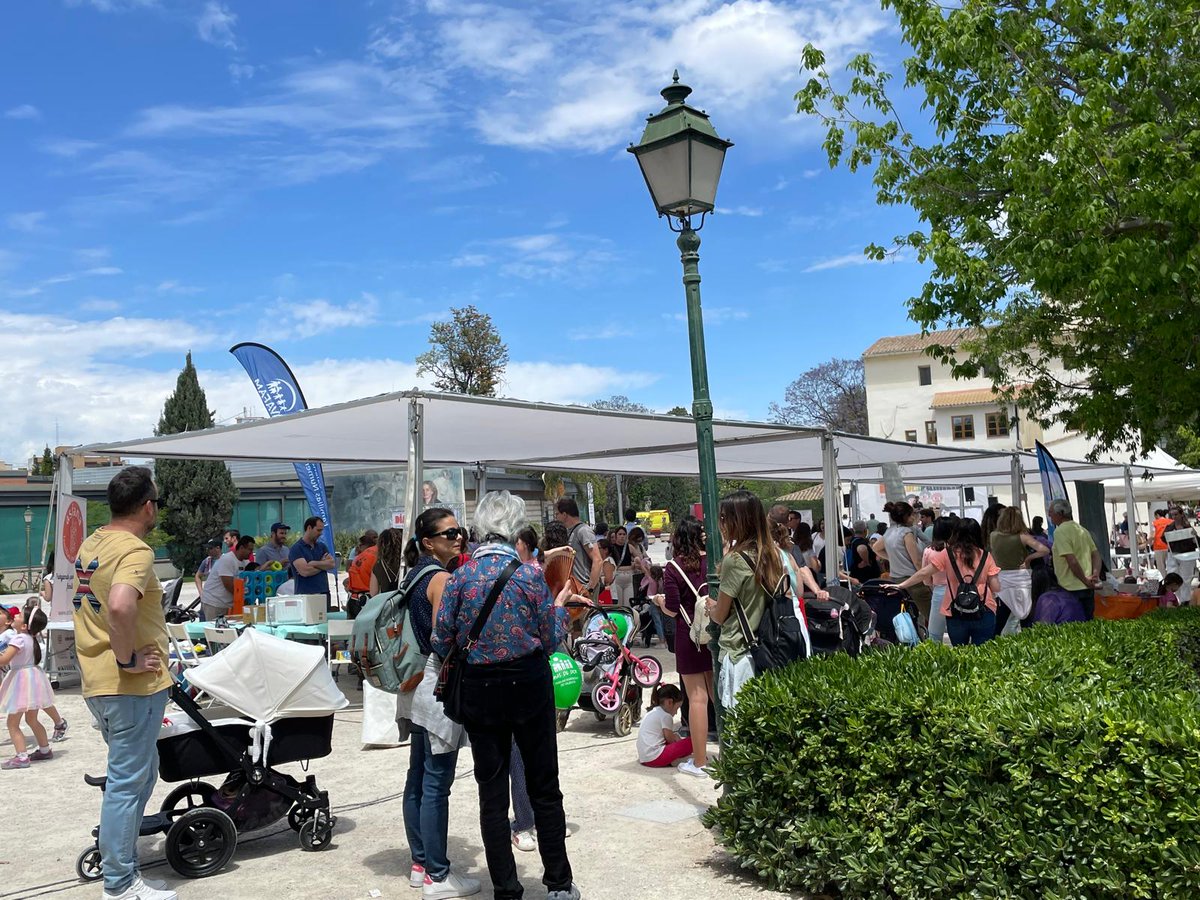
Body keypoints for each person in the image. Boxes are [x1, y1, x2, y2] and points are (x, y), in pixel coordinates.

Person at [433, 492, 579, 900]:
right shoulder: (530, 576)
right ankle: (558, 884)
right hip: (528, 684)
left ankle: (506, 888)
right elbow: (551, 639)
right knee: (544, 787)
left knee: (491, 793)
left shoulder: (460, 577)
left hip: (480, 689)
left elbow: (441, 637)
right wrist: (560, 608)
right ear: (515, 529)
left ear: (480, 528)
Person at [72, 466, 175, 900]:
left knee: (139, 772)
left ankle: (119, 858)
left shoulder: (92, 542)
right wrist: (128, 658)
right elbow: (118, 606)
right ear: (148, 505)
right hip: (128, 687)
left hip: (98, 680)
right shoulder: (136, 550)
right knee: (128, 781)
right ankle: (120, 882)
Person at [394, 509, 480, 898]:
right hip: (435, 682)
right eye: (449, 534)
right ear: (428, 541)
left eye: (459, 531)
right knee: (436, 781)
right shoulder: (441, 578)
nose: (458, 538)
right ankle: (437, 875)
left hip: (413, 684)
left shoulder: (413, 576)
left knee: (418, 776)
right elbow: (451, 634)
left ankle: (420, 862)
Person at [706, 490, 779, 712]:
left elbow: (720, 615)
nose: (721, 524)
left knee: (736, 727)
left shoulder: (735, 561)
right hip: (766, 647)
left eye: (723, 518)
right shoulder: (770, 554)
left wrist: (711, 607)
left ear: (737, 520)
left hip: (739, 650)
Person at [654, 517, 712, 776]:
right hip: (713, 635)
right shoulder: (713, 561)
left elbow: (673, 607)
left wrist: (658, 602)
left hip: (688, 637)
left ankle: (699, 761)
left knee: (697, 699)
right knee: (717, 696)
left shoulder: (673, 568)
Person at [892, 517, 1002, 646]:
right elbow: (995, 587)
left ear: (955, 534)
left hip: (955, 610)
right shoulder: (986, 556)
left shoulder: (947, 554)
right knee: (983, 652)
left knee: (960, 652)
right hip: (984, 609)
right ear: (978, 534)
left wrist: (901, 585)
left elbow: (923, 573)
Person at [1, 607, 58, 768]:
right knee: (32, 719)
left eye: (19, 615)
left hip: (20, 681)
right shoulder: (30, 638)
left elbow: (4, 660)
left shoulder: (18, 639)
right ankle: (45, 749)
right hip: (33, 679)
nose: (15, 616)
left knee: (12, 723)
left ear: (25, 625)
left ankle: (22, 756)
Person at [990, 507, 1050, 636]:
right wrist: (1028, 558)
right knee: (1026, 615)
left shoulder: (993, 536)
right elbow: (1045, 550)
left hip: (1002, 579)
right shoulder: (1023, 537)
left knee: (999, 619)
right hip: (1021, 578)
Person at [879, 502, 933, 626]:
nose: (914, 517)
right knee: (930, 615)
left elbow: (876, 547)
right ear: (906, 517)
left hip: (895, 579)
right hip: (913, 580)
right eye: (911, 515)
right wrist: (927, 581)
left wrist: (891, 558)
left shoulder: (889, 532)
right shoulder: (906, 534)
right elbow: (917, 562)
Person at [1049, 498, 1101, 620]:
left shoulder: (1060, 531)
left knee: (1073, 628)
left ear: (1060, 513)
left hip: (1070, 587)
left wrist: (1085, 579)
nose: (1049, 515)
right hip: (1087, 587)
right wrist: (1095, 575)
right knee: (1088, 625)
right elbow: (1096, 554)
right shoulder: (1082, 530)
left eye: (1051, 512)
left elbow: (1071, 560)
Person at [555, 498, 603, 599]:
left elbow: (597, 560)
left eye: (557, 514)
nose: (556, 517)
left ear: (564, 514)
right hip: (573, 588)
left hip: (583, 587)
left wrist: (590, 588)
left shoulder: (583, 531)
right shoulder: (570, 532)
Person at [201, 535, 255, 623]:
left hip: (228, 604)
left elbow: (252, 577)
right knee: (217, 632)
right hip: (214, 603)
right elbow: (229, 585)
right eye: (249, 549)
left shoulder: (246, 562)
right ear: (241, 548)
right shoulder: (227, 559)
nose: (251, 553)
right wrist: (243, 599)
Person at [636, 684, 691, 768]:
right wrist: (677, 738)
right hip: (655, 758)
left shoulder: (653, 712)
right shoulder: (666, 716)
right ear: (669, 702)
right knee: (691, 741)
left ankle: (674, 758)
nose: (676, 713)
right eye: (677, 708)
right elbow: (670, 738)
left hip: (644, 759)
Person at [289, 517, 336, 607]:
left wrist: (313, 563)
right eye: (318, 530)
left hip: (324, 593)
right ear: (309, 528)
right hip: (306, 594)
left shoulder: (322, 547)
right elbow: (305, 571)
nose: (320, 533)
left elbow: (332, 564)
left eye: (321, 530)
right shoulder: (297, 549)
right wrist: (323, 565)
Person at [923, 517, 954, 644]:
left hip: (939, 591)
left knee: (935, 633)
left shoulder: (929, 551)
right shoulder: (959, 550)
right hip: (959, 591)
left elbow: (925, 579)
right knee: (960, 631)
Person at [1165, 508, 1199, 590]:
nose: (1174, 517)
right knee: (1172, 577)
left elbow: (1196, 541)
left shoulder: (1188, 527)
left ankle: (1185, 600)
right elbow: (1164, 539)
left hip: (1187, 554)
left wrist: (1194, 536)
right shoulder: (1169, 527)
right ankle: (1176, 599)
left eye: (1176, 514)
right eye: (1172, 515)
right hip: (1173, 554)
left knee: (1186, 578)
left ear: (1181, 514)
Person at [606, 526, 640, 604]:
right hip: (617, 578)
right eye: (620, 534)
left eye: (624, 534)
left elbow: (639, 557)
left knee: (628, 603)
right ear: (616, 535)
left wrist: (636, 560)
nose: (622, 536)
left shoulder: (629, 547)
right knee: (619, 604)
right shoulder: (611, 548)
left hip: (628, 578)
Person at [370, 527, 405, 595]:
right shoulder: (406, 562)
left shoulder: (378, 566)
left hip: (388, 603)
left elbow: (373, 593)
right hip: (406, 602)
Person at [343, 531, 379, 597]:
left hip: (361, 593)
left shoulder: (367, 556)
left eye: (376, 537)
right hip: (362, 593)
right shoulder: (358, 554)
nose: (375, 539)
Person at [847, 521, 882, 585]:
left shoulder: (852, 541)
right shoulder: (860, 541)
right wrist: (866, 561)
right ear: (865, 530)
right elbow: (862, 549)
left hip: (857, 575)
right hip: (866, 578)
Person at [1153, 509, 1173, 573]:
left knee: (1161, 567)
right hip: (1170, 546)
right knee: (1171, 566)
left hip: (1158, 546)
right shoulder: (1171, 521)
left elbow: (1152, 535)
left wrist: (1147, 543)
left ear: (1157, 515)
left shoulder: (1155, 523)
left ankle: (1164, 580)